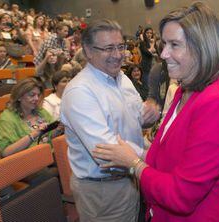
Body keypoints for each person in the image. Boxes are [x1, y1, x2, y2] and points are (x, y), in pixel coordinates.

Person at [92, 3, 219, 221]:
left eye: (174, 45)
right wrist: (133, 154)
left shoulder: (216, 101)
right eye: (164, 44)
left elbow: (182, 195)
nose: (163, 54)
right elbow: (166, 157)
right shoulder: (185, 90)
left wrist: (133, 164)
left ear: (203, 47)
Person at [60, 19, 160, 222]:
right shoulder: (80, 91)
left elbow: (133, 120)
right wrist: (156, 158)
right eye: (108, 48)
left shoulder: (122, 78)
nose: (117, 55)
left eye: (120, 46)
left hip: (132, 175)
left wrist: (147, 116)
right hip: (103, 191)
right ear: (88, 51)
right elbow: (106, 151)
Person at [0, 77, 61, 157]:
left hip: (50, 155)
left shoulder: (40, 112)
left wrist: (58, 130)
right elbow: (5, 152)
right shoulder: (6, 119)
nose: (36, 98)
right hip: (28, 163)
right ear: (19, 97)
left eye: (38, 95)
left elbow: (48, 138)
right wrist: (34, 134)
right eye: (32, 95)